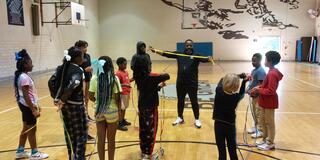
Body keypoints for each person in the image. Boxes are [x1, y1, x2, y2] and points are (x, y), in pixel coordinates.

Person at [150, 39, 213, 128]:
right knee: (180, 101)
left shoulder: (196, 56)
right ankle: (180, 117)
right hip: (180, 83)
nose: (189, 47)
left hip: (192, 84)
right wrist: (156, 51)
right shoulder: (179, 54)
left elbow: (206, 59)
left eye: (190, 45)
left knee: (194, 102)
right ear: (185, 46)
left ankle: (197, 119)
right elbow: (167, 54)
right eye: (187, 45)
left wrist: (209, 58)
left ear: (193, 46)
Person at [132, 56, 170, 160]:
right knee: (151, 131)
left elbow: (147, 89)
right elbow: (167, 76)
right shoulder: (152, 77)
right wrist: (159, 74)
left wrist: (159, 87)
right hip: (151, 107)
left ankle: (144, 151)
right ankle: (149, 154)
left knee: (143, 129)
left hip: (142, 107)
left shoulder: (139, 77)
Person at [14, 49, 49, 160]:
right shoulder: (24, 78)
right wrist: (33, 109)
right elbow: (26, 95)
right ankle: (35, 153)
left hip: (25, 105)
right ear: (25, 65)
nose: (32, 65)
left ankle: (20, 151)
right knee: (32, 129)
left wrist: (36, 105)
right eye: (30, 63)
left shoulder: (22, 75)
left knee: (25, 128)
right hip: (27, 106)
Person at [55, 46, 88, 160]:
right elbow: (73, 84)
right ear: (77, 57)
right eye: (82, 56)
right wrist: (63, 99)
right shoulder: (78, 70)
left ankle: (72, 156)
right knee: (81, 135)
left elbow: (52, 82)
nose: (83, 58)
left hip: (65, 107)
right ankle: (79, 158)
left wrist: (57, 98)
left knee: (70, 134)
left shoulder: (61, 68)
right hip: (75, 107)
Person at [89, 56, 122, 160]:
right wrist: (119, 111)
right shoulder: (114, 78)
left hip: (99, 110)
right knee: (111, 140)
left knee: (101, 140)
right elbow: (117, 98)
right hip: (112, 110)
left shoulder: (95, 78)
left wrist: (99, 102)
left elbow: (90, 96)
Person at [250, 51, 283, 151]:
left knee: (269, 123)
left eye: (265, 59)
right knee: (262, 121)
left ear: (270, 61)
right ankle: (265, 139)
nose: (264, 61)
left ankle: (270, 143)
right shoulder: (270, 71)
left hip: (269, 102)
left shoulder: (272, 74)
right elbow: (265, 85)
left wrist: (258, 90)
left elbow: (271, 91)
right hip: (264, 101)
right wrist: (258, 87)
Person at [213, 73, 248, 160]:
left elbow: (222, 79)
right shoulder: (236, 97)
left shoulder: (219, 91)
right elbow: (242, 93)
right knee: (232, 150)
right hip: (230, 126)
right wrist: (244, 81)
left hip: (218, 125)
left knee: (221, 152)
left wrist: (237, 75)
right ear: (236, 86)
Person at [75, 40, 95, 141]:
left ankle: (86, 113)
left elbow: (88, 66)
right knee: (82, 99)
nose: (86, 49)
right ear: (79, 47)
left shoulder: (88, 56)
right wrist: (84, 70)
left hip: (88, 79)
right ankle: (83, 116)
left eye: (86, 47)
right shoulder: (76, 57)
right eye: (84, 47)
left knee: (86, 98)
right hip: (80, 80)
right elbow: (77, 68)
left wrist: (90, 70)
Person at [246, 53, 266, 138]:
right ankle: (256, 127)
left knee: (258, 113)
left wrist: (255, 92)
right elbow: (252, 82)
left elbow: (262, 85)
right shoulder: (254, 70)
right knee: (254, 113)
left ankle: (260, 131)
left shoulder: (261, 71)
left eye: (254, 61)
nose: (252, 62)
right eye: (252, 60)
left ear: (259, 61)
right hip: (253, 96)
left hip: (258, 97)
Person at [116, 57, 134, 131]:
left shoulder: (126, 72)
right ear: (119, 65)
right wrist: (125, 85)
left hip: (127, 93)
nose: (126, 65)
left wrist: (133, 79)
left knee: (125, 108)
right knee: (121, 109)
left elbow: (127, 81)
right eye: (124, 64)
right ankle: (119, 123)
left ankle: (123, 120)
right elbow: (117, 84)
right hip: (122, 94)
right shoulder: (117, 73)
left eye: (126, 64)